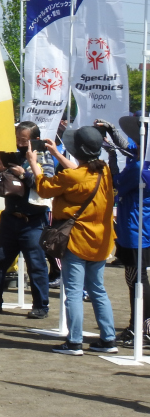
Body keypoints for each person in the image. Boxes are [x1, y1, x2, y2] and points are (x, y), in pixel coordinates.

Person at [32, 126, 118, 355]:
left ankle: (74, 341)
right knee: (98, 290)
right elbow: (79, 172)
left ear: (77, 151)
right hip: (101, 240)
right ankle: (108, 339)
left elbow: (44, 189)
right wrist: (56, 154)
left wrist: (34, 163)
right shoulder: (104, 170)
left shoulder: (71, 176)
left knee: (73, 291)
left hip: (77, 240)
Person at [0, 120, 59, 318]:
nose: (20, 144)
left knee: (36, 264)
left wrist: (24, 174)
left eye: (24, 140)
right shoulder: (13, 157)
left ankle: (41, 306)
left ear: (35, 139)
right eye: (17, 139)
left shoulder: (45, 159)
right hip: (10, 217)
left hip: (33, 219)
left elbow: (46, 186)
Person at [111, 116, 150, 347]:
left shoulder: (138, 167)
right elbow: (130, 149)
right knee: (137, 279)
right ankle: (141, 325)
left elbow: (116, 183)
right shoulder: (142, 161)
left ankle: (141, 327)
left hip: (135, 230)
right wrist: (114, 138)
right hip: (140, 228)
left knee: (136, 281)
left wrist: (112, 159)